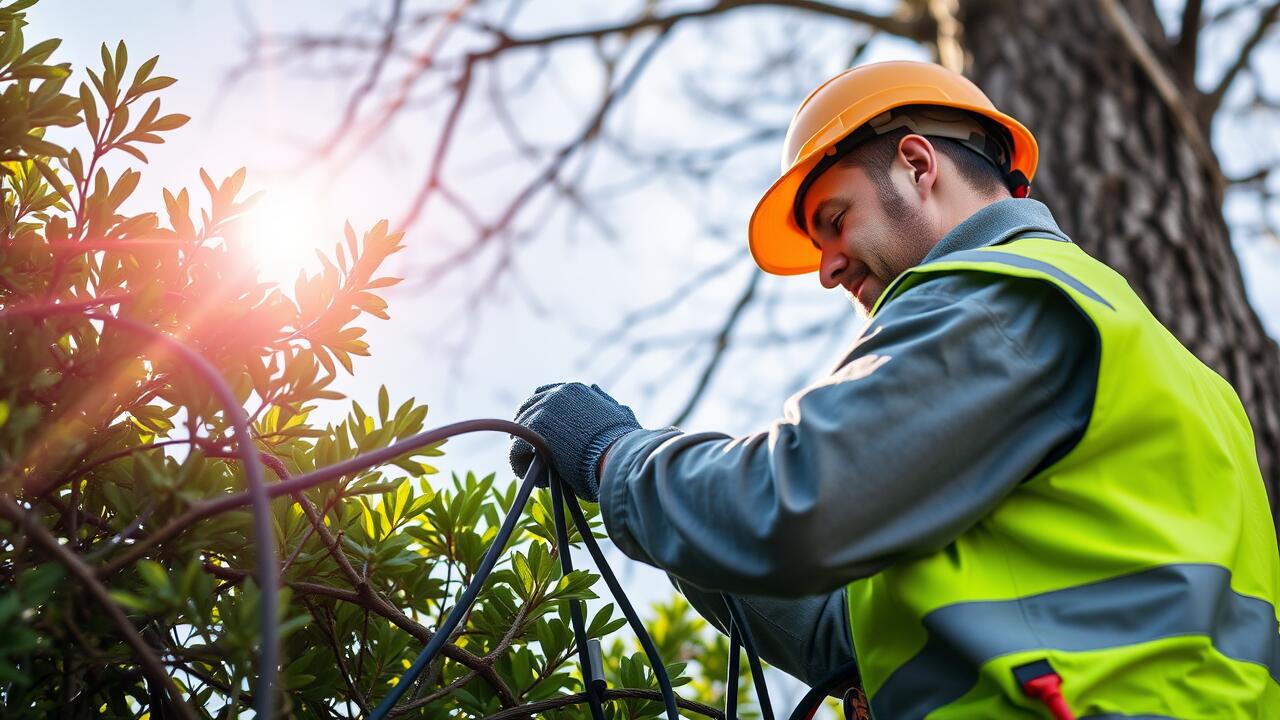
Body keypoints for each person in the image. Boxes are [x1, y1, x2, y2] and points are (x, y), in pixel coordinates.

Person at [508, 61, 1280, 718]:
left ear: (917, 164)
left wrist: (613, 455)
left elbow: (796, 502)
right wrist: (676, 523)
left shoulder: (996, 299)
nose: (827, 269)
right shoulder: (1160, 368)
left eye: (835, 219)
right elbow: (841, 633)